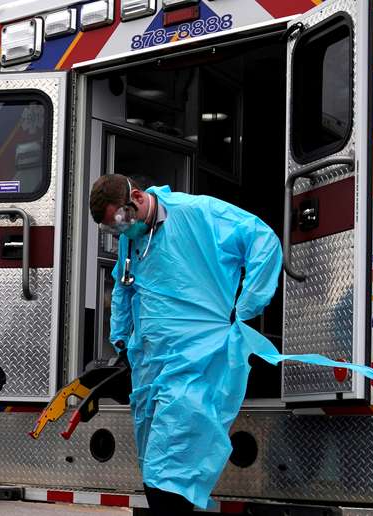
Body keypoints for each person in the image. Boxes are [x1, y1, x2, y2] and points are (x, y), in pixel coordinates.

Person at [89, 174, 282, 513]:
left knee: (174, 457)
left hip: (197, 357)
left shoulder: (198, 213)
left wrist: (248, 304)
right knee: (152, 459)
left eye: (121, 220)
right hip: (150, 364)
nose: (121, 230)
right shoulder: (131, 239)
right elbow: (124, 284)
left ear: (136, 196)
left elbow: (262, 240)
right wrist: (120, 339)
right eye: (113, 227)